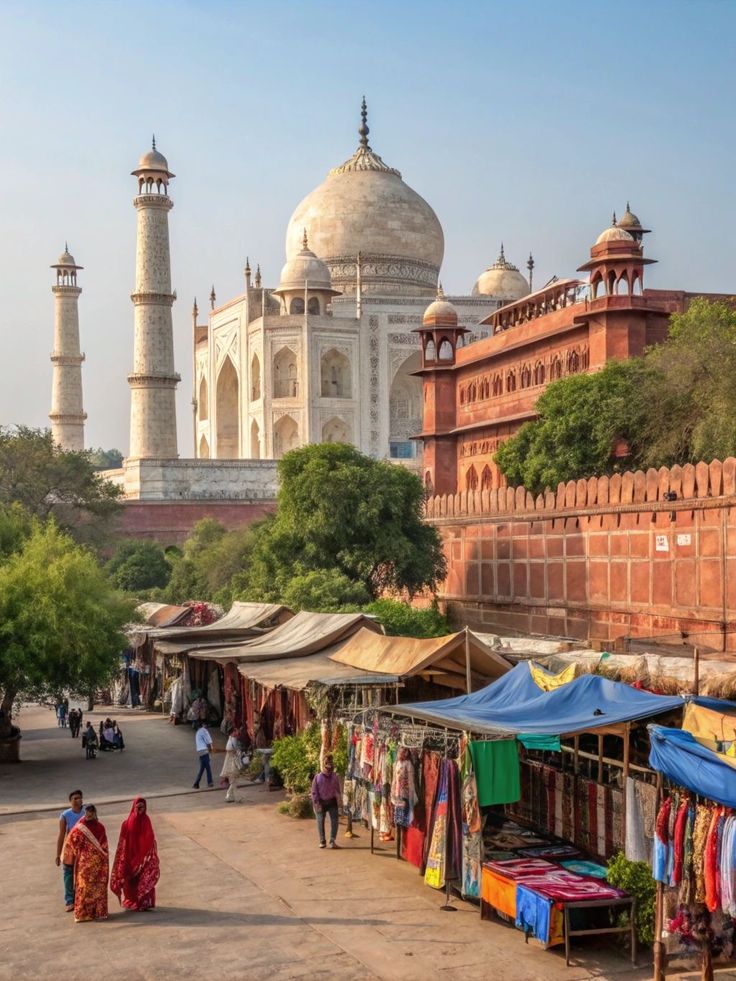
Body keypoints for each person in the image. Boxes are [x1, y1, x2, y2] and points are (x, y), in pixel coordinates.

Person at [61, 804, 109, 922]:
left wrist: (101, 857)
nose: (89, 814)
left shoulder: (100, 827)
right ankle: (83, 914)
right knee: (84, 887)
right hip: (84, 865)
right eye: (87, 812)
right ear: (84, 812)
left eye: (91, 812)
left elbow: (104, 844)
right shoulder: (80, 827)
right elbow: (71, 842)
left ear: (95, 813)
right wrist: (68, 858)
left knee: (98, 888)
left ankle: (98, 912)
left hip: (99, 864)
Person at [111, 797, 160, 911]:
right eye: (138, 807)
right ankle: (133, 901)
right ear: (134, 807)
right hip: (131, 856)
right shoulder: (128, 823)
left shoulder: (146, 820)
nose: (140, 809)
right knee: (132, 882)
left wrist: (147, 854)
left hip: (144, 857)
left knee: (145, 879)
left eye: (142, 807)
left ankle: (144, 902)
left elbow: (150, 837)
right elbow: (124, 842)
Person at [55, 789, 84, 912]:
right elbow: (61, 835)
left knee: (82, 874)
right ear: (70, 801)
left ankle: (80, 898)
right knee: (68, 874)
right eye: (74, 799)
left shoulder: (86, 812)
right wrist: (58, 854)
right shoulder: (65, 815)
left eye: (79, 798)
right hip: (70, 848)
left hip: (84, 848)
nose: (77, 800)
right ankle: (69, 901)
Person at [311, 754, 341, 849]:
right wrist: (316, 803)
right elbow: (314, 792)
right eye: (327, 763)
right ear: (323, 764)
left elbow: (337, 790)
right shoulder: (318, 777)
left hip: (332, 802)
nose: (329, 765)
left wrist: (339, 802)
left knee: (335, 821)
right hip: (321, 802)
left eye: (331, 762)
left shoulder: (334, 777)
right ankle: (322, 841)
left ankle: (332, 841)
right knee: (320, 821)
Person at [220, 729, 243, 803]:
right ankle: (234, 797)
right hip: (231, 764)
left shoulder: (233, 739)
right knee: (233, 782)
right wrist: (235, 751)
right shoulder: (231, 740)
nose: (238, 732)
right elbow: (229, 749)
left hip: (233, 763)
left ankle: (230, 797)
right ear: (233, 732)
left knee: (233, 782)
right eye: (236, 731)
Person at [193, 721, 214, 789]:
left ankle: (196, 783)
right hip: (204, 750)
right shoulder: (204, 730)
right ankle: (209, 782)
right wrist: (211, 747)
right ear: (203, 725)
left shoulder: (197, 733)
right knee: (207, 768)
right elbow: (208, 740)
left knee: (202, 768)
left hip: (200, 751)